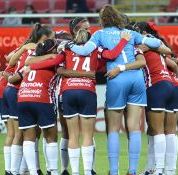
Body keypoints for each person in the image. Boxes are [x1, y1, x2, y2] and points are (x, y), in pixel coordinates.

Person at [67, 5, 170, 175]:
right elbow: (154, 43)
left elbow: (85, 50)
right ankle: (132, 171)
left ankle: (114, 171)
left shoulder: (100, 34)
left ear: (103, 20)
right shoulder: (129, 33)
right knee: (134, 127)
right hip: (136, 78)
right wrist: (153, 42)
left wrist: (69, 47)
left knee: (114, 128)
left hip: (117, 79)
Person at [30, 29, 131, 175]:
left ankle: (75, 172)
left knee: (73, 135)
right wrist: (124, 41)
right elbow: (112, 55)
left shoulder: (66, 49)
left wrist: (30, 67)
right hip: (87, 91)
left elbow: (57, 66)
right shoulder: (96, 49)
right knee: (88, 135)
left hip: (68, 91)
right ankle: (88, 172)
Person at [4, 24, 54, 175]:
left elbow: (10, 60)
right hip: (18, 90)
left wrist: (22, 49)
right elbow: (21, 68)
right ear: (43, 39)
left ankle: (25, 169)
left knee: (27, 133)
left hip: (16, 91)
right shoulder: (36, 51)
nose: (53, 42)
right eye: (50, 39)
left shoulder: (28, 47)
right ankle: (16, 170)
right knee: (23, 134)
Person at [134, 21, 175, 175]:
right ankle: (168, 170)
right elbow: (172, 60)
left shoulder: (141, 45)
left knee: (156, 130)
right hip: (171, 84)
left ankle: (157, 170)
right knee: (167, 131)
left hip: (156, 85)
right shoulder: (157, 43)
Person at [17, 39, 60, 175]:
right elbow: (55, 61)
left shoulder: (30, 62)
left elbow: (27, 63)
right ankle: (53, 171)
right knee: (51, 137)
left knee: (29, 138)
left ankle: (32, 172)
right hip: (41, 98)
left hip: (23, 98)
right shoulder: (53, 62)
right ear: (51, 51)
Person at [0, 51, 18, 175]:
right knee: (17, 134)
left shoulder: (20, 53)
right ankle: (15, 170)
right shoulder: (28, 54)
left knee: (11, 133)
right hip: (9, 91)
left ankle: (9, 169)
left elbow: (8, 57)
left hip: (1, 90)